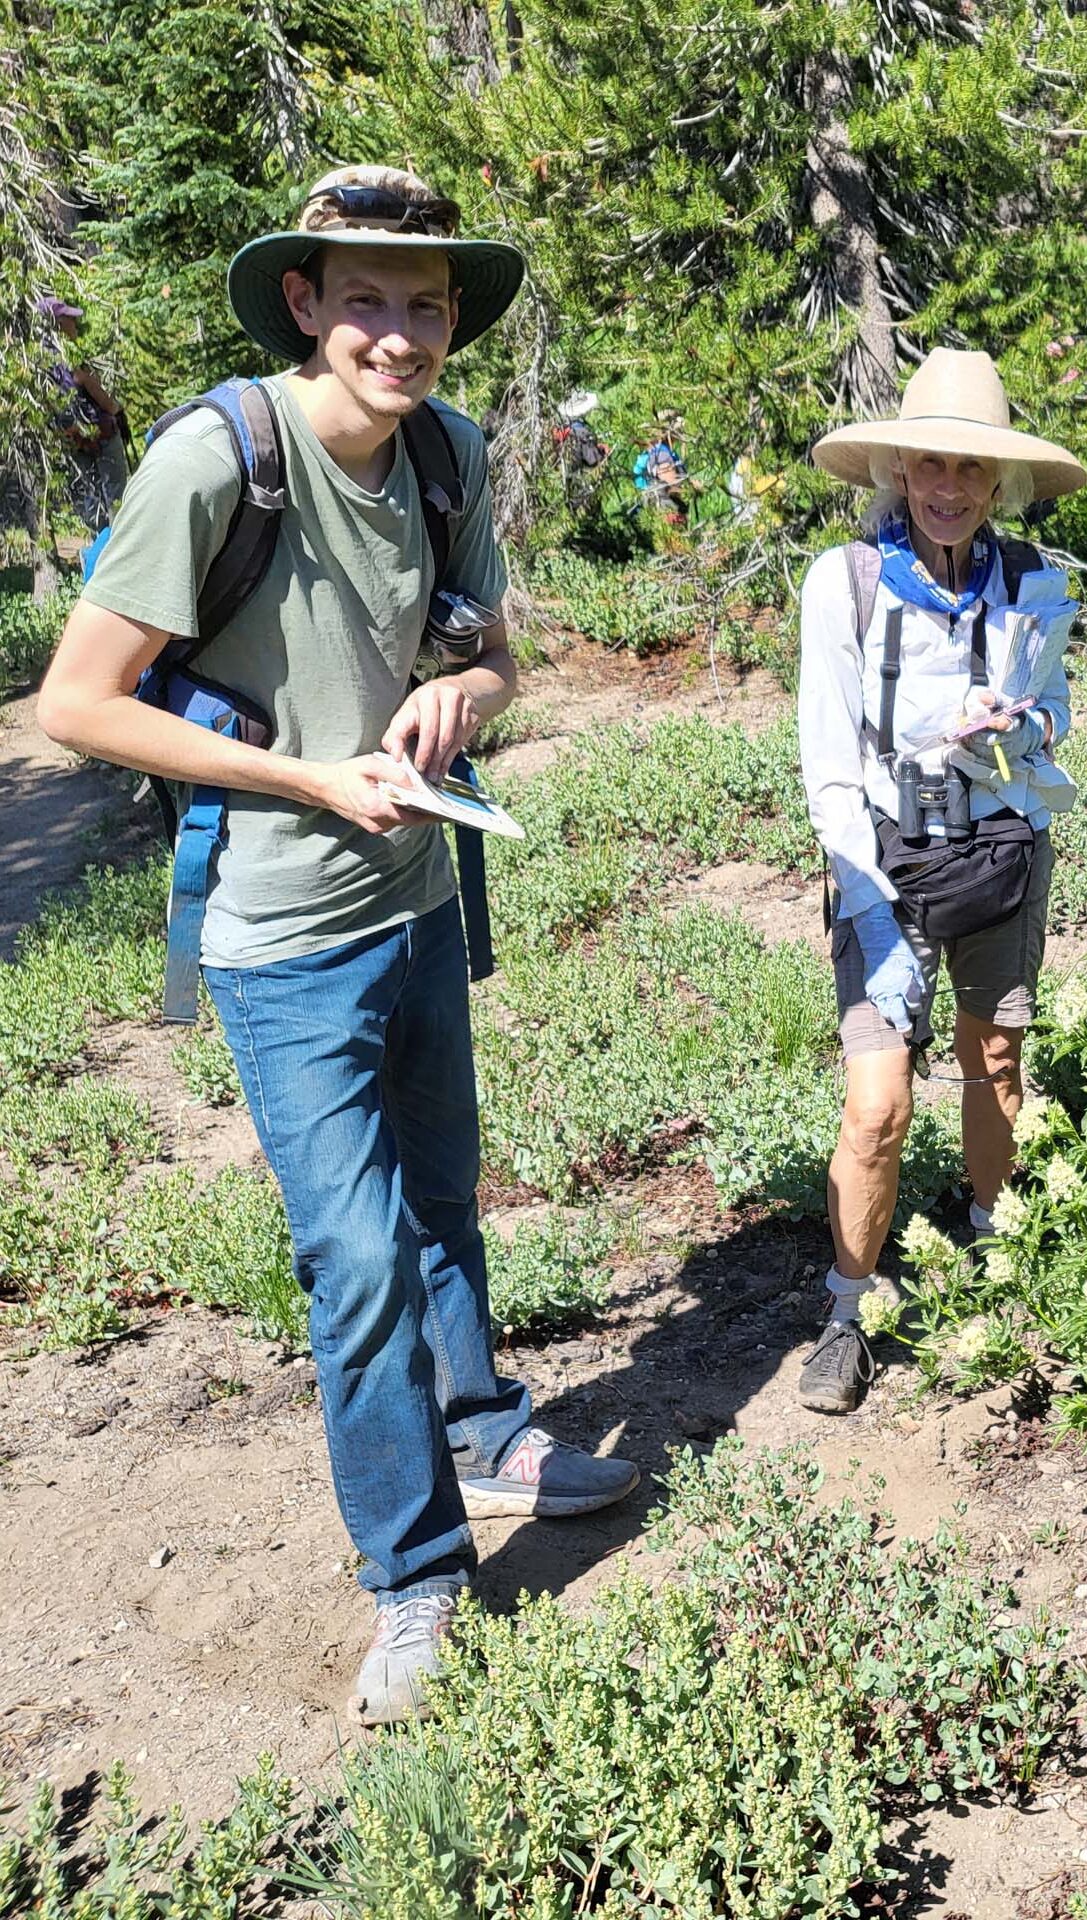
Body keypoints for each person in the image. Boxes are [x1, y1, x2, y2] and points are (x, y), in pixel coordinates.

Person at [37, 164, 638, 1725]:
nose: (396, 333)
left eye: (423, 303)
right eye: (363, 297)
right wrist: (310, 775)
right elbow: (76, 703)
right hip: (276, 932)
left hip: (421, 902)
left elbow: (496, 658)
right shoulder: (217, 461)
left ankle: (492, 1431)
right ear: (304, 302)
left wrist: (464, 701)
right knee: (356, 1252)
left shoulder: (448, 455)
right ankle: (418, 1576)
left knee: (443, 1203)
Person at [796, 349, 1087, 1413]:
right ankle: (847, 1306)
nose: (949, 489)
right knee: (877, 1104)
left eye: (970, 470)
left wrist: (1023, 724)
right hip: (885, 863)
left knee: (996, 1057)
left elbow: (1056, 713)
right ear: (898, 470)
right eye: (930, 465)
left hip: (1004, 847)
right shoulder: (847, 584)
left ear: (999, 481)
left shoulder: (1030, 583)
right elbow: (829, 765)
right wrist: (869, 915)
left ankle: (990, 1244)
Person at [39, 296, 128, 531]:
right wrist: (117, 410)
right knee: (117, 502)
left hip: (73, 442)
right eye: (70, 319)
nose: (75, 325)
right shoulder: (70, 360)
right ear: (57, 322)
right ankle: (119, 553)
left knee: (90, 504)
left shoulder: (37, 363)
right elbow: (105, 402)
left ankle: (99, 552)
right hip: (103, 436)